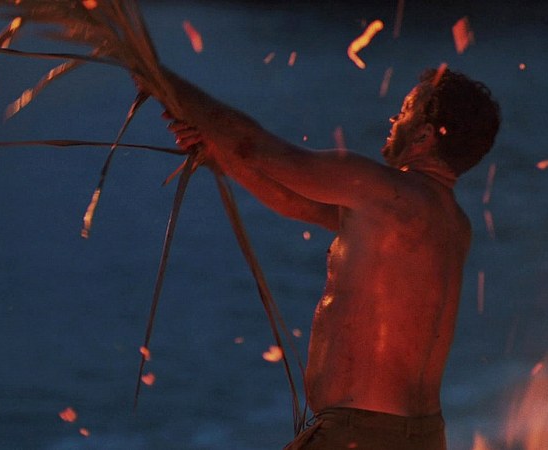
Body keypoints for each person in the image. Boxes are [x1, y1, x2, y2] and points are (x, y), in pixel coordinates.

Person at [162, 66, 500, 449]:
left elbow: (254, 145)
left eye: (406, 110)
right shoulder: (450, 222)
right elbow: (299, 202)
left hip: (361, 434)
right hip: (422, 437)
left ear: (424, 135)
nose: (394, 119)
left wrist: (161, 80)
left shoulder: (385, 191)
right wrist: (222, 157)